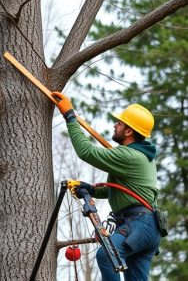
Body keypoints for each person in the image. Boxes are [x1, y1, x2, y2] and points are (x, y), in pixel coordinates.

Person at [52, 91, 161, 281]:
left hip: (139, 223)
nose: (115, 125)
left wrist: (70, 116)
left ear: (129, 131)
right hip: (148, 227)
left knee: (107, 255)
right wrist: (92, 190)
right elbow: (117, 189)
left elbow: (86, 151)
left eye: (119, 123)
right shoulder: (142, 157)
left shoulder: (129, 156)